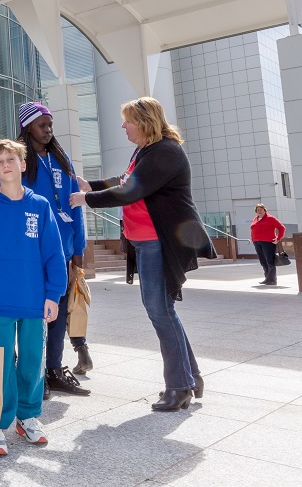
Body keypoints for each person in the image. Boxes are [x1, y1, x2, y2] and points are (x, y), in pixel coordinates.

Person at [71, 96, 213, 412]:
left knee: (161, 312)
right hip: (147, 242)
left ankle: (179, 387)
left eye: (128, 120)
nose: (123, 125)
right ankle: (191, 378)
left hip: (159, 242)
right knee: (163, 311)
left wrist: (85, 199)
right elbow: (126, 180)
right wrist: (89, 184)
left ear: (145, 122)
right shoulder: (147, 150)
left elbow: (131, 191)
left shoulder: (165, 152)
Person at [0, 139, 68, 455]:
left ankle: (28, 417)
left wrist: (53, 293)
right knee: (1, 365)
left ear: (23, 164)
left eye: (10, 159)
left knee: (31, 361)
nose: (5, 166)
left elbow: (53, 252)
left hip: (34, 300)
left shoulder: (39, 205)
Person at [16, 102, 91, 397]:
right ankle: (34, 373)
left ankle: (54, 369)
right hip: (33, 251)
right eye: (41, 125)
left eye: (50, 125)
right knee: (35, 314)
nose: (48, 130)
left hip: (64, 250)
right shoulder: (21, 160)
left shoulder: (62, 159)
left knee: (58, 313)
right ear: (27, 128)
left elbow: (77, 207)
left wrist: (78, 254)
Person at [250, 204, 286, 286]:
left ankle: (273, 280)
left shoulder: (270, 218)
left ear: (265, 210)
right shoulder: (255, 219)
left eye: (261, 209)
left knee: (270, 261)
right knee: (263, 261)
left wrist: (278, 238)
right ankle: (267, 278)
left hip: (268, 242)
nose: (259, 211)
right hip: (257, 242)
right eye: (258, 210)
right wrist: (253, 239)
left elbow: (282, 228)